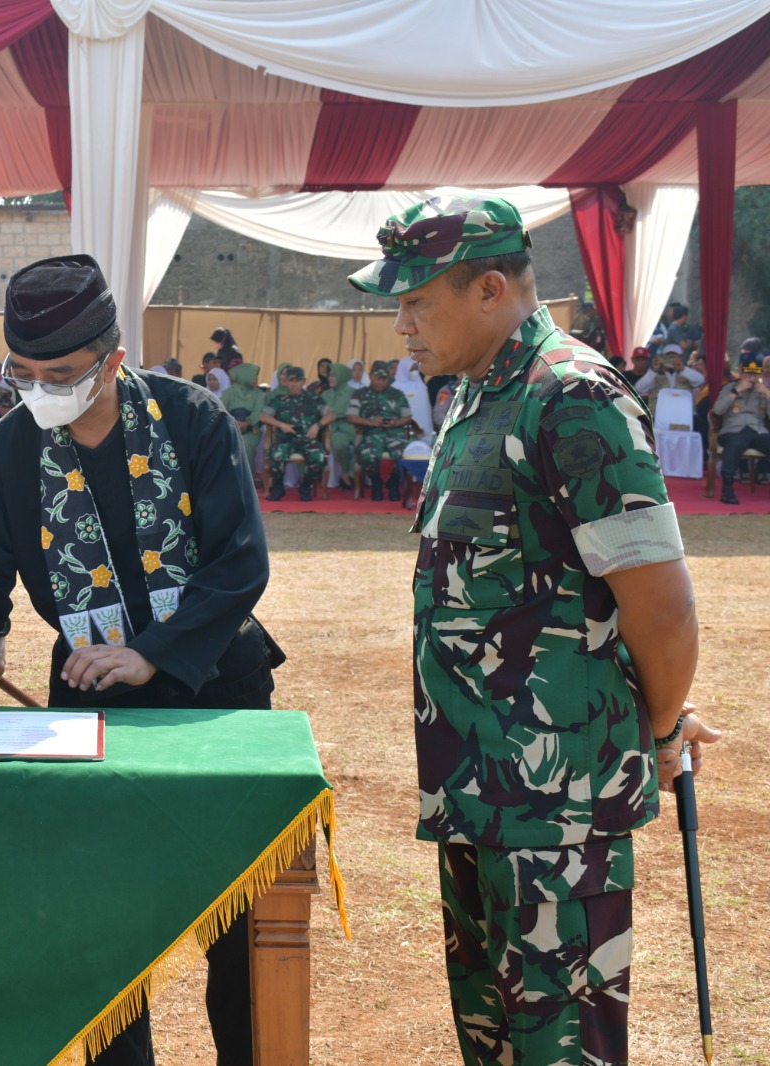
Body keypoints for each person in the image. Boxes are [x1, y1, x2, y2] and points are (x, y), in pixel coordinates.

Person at [349, 193, 718, 1066]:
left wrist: (659, 731)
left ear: (488, 289)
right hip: (477, 796)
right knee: (498, 1045)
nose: (399, 323)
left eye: (415, 301)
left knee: (563, 1052)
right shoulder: (480, 395)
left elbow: (659, 604)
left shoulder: (570, 396)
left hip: (558, 817)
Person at [0, 253, 281, 1066]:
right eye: (22, 373)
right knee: (104, 923)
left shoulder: (193, 419)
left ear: (113, 360)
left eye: (60, 373)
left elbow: (239, 565)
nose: (40, 389)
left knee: (239, 923)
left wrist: (151, 655)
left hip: (215, 691)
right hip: (90, 702)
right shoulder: (10, 451)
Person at [258, 365, 332, 501]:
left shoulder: (314, 398)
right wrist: (281, 425)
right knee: (276, 454)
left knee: (320, 457)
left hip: (308, 439)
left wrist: (317, 425)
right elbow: (263, 416)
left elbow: (331, 415)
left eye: (298, 381)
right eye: (291, 381)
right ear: (286, 382)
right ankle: (278, 486)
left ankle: (305, 485)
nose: (294, 384)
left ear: (303, 381)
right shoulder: (279, 400)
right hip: (286, 439)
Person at [345, 360, 415, 500]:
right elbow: (351, 417)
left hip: (395, 434)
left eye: (384, 378)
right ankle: (376, 482)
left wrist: (396, 422)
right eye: (378, 378)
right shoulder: (359, 394)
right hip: (372, 433)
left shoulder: (397, 394)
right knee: (366, 454)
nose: (382, 382)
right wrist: (369, 422)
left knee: (405, 454)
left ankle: (393, 482)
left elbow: (408, 417)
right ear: (371, 376)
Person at [712, 356, 770, 504]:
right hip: (733, 430)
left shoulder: (764, 390)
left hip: (758, 431)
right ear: (739, 371)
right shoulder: (729, 387)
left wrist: (767, 394)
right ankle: (728, 490)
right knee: (734, 444)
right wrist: (737, 390)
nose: (751, 377)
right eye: (747, 372)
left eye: (755, 373)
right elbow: (717, 410)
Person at [221, 361, 265, 478]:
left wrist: (247, 422)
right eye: (254, 376)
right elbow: (221, 410)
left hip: (251, 429)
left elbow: (258, 412)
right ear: (245, 376)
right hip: (231, 428)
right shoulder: (229, 392)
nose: (256, 379)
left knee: (244, 444)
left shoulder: (259, 394)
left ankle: (247, 478)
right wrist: (233, 423)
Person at [635, 343, 703, 398]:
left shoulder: (686, 373)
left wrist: (682, 368)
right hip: (660, 413)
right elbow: (639, 388)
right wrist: (653, 370)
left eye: (673, 357)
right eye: (668, 357)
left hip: (683, 413)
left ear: (680, 358)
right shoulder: (655, 375)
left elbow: (700, 380)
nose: (670, 360)